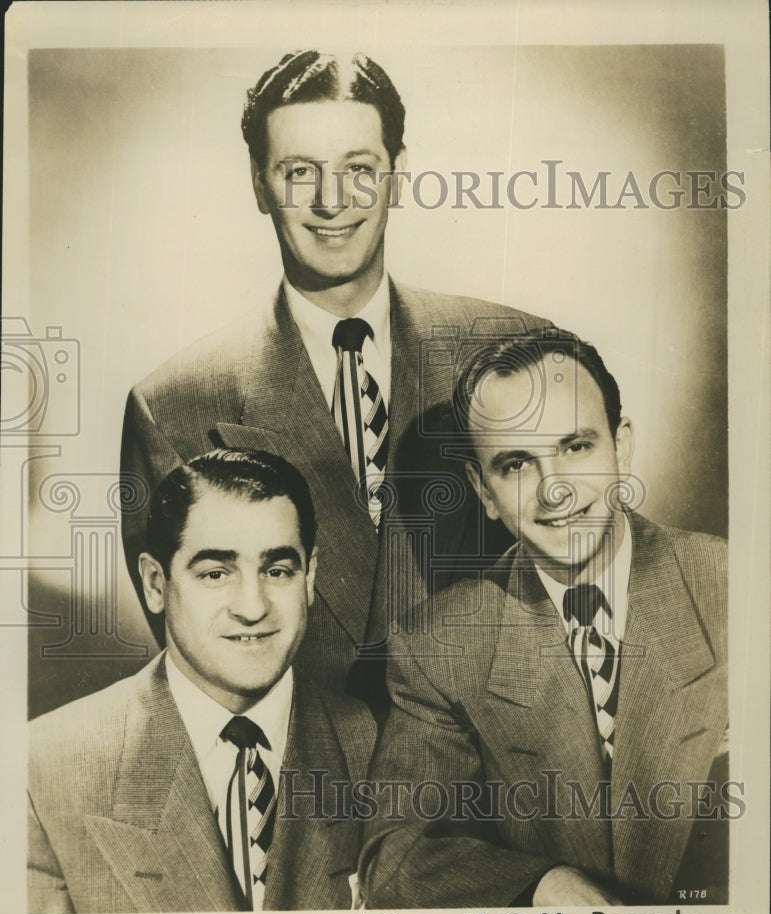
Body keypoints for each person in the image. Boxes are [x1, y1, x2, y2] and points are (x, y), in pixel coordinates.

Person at [120, 49, 549, 716]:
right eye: (299, 172)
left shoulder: (515, 354)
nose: (331, 201)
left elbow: (577, 588)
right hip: (304, 774)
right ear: (258, 184)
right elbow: (207, 669)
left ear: (397, 175)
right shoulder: (172, 406)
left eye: (359, 170)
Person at [359, 329, 729, 907]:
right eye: (516, 464)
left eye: (576, 447)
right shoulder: (440, 644)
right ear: (483, 491)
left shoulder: (737, 588)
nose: (555, 490)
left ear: (621, 447)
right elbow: (396, 856)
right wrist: (537, 885)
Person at [28, 449, 376, 913]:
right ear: (155, 584)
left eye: (277, 571)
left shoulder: (376, 748)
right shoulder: (43, 770)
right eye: (215, 573)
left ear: (309, 577)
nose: (252, 607)